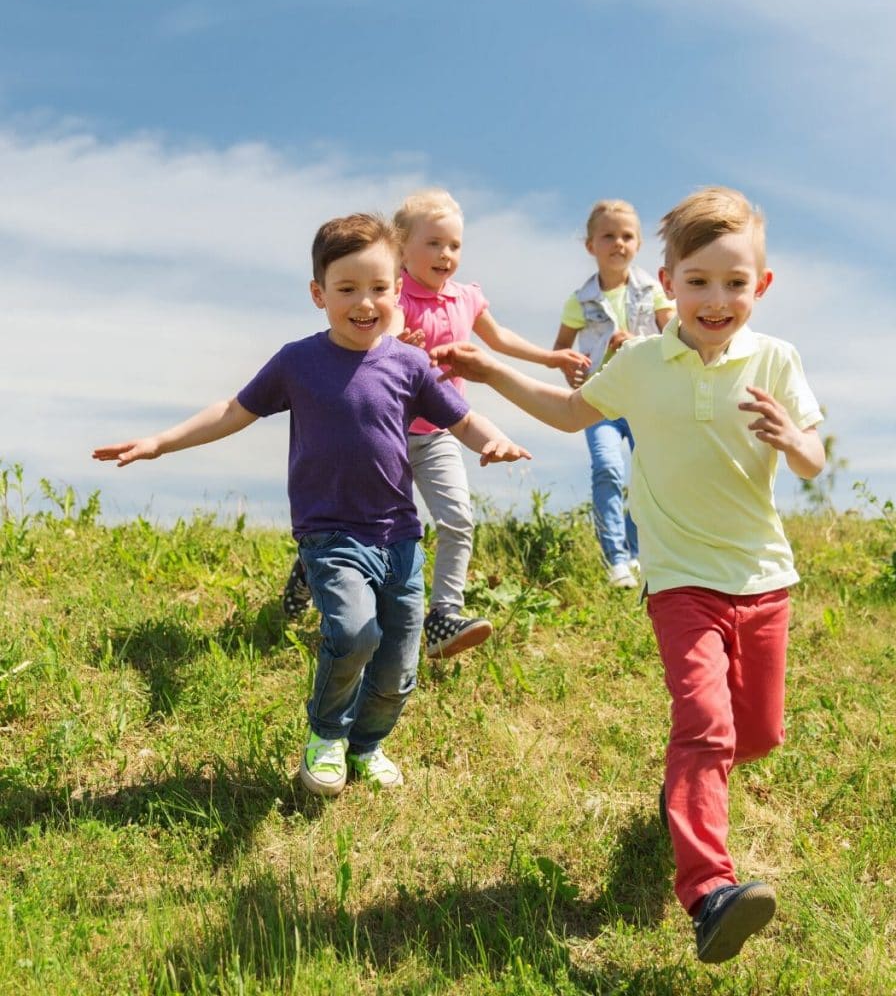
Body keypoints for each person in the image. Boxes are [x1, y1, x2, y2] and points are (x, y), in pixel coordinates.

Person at [431, 186, 825, 963]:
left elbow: (812, 456)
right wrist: (486, 368)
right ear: (665, 283)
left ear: (763, 286)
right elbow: (570, 411)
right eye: (700, 282)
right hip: (680, 580)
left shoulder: (777, 359)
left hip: (763, 578)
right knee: (705, 725)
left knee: (760, 734)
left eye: (736, 283)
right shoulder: (642, 362)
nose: (718, 300)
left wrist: (793, 440)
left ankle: (687, 788)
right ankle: (709, 891)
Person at [93, 213, 530, 796]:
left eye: (378, 288)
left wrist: (492, 439)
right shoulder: (299, 362)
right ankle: (326, 736)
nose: (364, 302)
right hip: (331, 535)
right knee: (354, 633)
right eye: (346, 289)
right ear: (318, 293)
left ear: (397, 289)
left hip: (399, 538)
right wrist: (158, 442)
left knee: (399, 670)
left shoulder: (409, 363)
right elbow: (234, 408)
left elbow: (462, 418)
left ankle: (366, 747)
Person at [283, 189, 589, 659]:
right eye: (434, 244)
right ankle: (315, 567)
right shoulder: (392, 293)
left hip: (440, 432)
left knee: (458, 518)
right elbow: (374, 331)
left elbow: (500, 339)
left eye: (455, 245)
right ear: (402, 249)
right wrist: (395, 338)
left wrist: (549, 357)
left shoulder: (466, 298)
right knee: (363, 527)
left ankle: (445, 613)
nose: (446, 255)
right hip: (386, 435)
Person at [552, 200, 674, 588]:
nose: (618, 243)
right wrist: (584, 365)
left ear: (638, 243)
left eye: (627, 236)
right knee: (608, 468)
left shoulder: (652, 290)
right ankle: (616, 559)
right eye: (608, 235)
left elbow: (674, 337)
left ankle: (640, 554)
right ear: (591, 245)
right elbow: (562, 351)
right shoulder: (580, 299)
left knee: (646, 474)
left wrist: (635, 342)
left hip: (644, 399)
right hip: (600, 400)